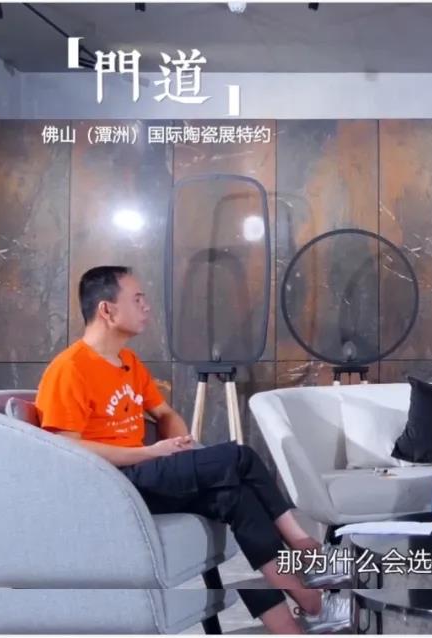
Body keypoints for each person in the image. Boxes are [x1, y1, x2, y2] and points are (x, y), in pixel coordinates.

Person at [35, 266, 348, 634]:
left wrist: (179, 445)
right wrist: (150, 454)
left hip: (145, 473)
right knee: (240, 457)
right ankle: (307, 549)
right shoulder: (70, 369)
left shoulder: (128, 363)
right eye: (137, 299)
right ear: (107, 309)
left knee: (238, 498)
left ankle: (309, 610)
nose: (146, 307)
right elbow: (65, 450)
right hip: (114, 485)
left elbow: (165, 414)